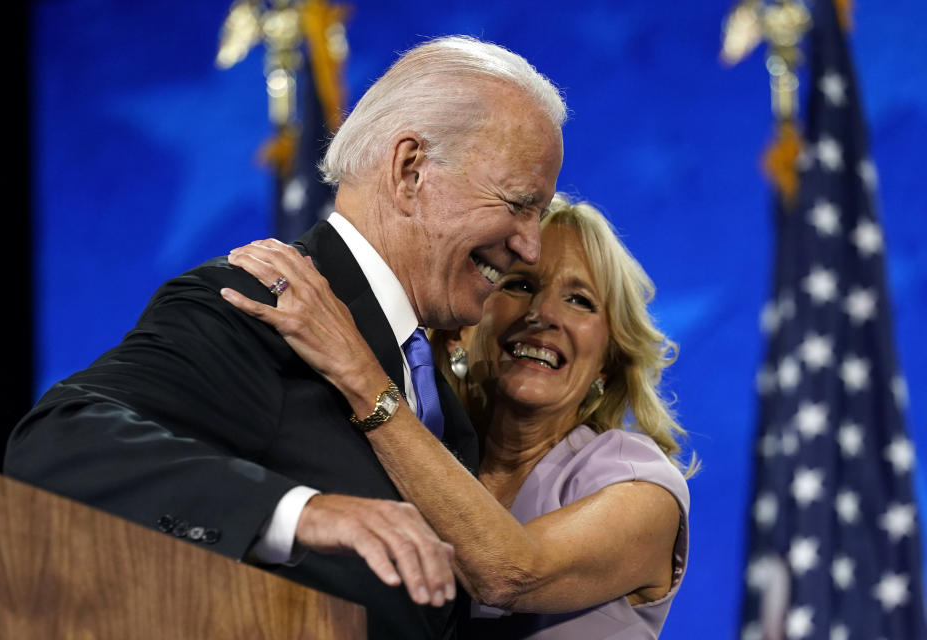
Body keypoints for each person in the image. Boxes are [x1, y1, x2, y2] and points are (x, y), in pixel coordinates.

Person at [3, 35, 565, 639]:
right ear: (410, 171)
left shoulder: (435, 392)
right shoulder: (264, 302)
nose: (530, 247)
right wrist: (301, 512)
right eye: (518, 203)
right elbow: (60, 441)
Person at [224, 194, 695, 638]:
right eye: (520, 285)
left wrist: (358, 374)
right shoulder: (417, 449)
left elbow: (511, 574)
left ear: (608, 362)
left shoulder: (640, 486)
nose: (543, 313)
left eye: (580, 301)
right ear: (460, 336)